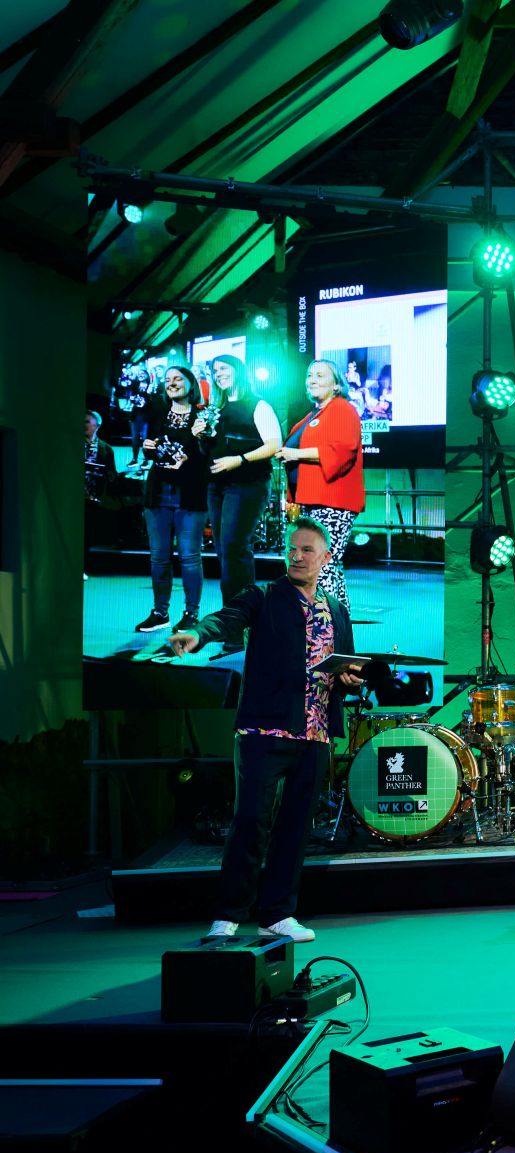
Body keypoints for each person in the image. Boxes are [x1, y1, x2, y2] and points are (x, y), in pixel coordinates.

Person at [167, 517, 362, 944]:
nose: (297, 556)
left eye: (306, 550)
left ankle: (277, 914)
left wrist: (349, 677)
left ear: (325, 558)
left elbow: (345, 666)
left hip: (314, 735)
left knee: (295, 827)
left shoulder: (337, 610)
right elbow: (227, 618)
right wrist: (198, 634)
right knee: (251, 821)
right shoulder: (264, 595)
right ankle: (228, 915)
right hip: (264, 731)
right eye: (292, 549)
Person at [279, 360, 364, 611]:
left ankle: (323, 624)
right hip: (310, 501)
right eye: (309, 375)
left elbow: (342, 450)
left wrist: (296, 454)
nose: (312, 380)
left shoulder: (343, 410)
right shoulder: (313, 416)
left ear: (336, 384)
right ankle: (338, 621)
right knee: (326, 564)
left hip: (332, 501)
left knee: (320, 563)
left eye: (320, 375)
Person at [135, 365, 212, 633]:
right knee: (159, 557)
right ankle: (160, 613)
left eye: (178, 378)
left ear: (191, 384)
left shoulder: (203, 417)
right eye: (168, 379)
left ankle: (191, 614)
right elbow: (153, 451)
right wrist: (147, 448)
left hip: (190, 495)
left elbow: (205, 454)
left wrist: (197, 439)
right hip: (158, 494)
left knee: (189, 557)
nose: (172, 383)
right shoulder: (157, 414)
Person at [205, 355, 283, 606]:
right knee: (224, 550)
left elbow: (274, 445)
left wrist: (239, 460)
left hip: (247, 484)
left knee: (234, 548)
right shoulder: (216, 409)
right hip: (217, 486)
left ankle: (241, 615)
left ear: (238, 370)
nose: (218, 373)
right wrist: (199, 435)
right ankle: (235, 613)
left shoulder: (258, 405)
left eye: (223, 368)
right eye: (215, 370)